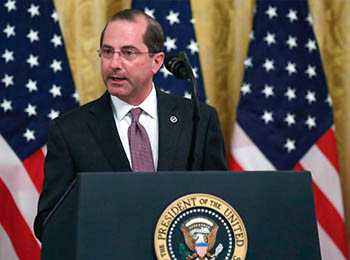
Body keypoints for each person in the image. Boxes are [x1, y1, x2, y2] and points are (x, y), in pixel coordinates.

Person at [34, 8, 227, 241]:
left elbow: (221, 204)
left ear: (156, 62)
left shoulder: (199, 120)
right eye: (107, 52)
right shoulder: (69, 130)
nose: (114, 63)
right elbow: (48, 222)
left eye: (128, 52)